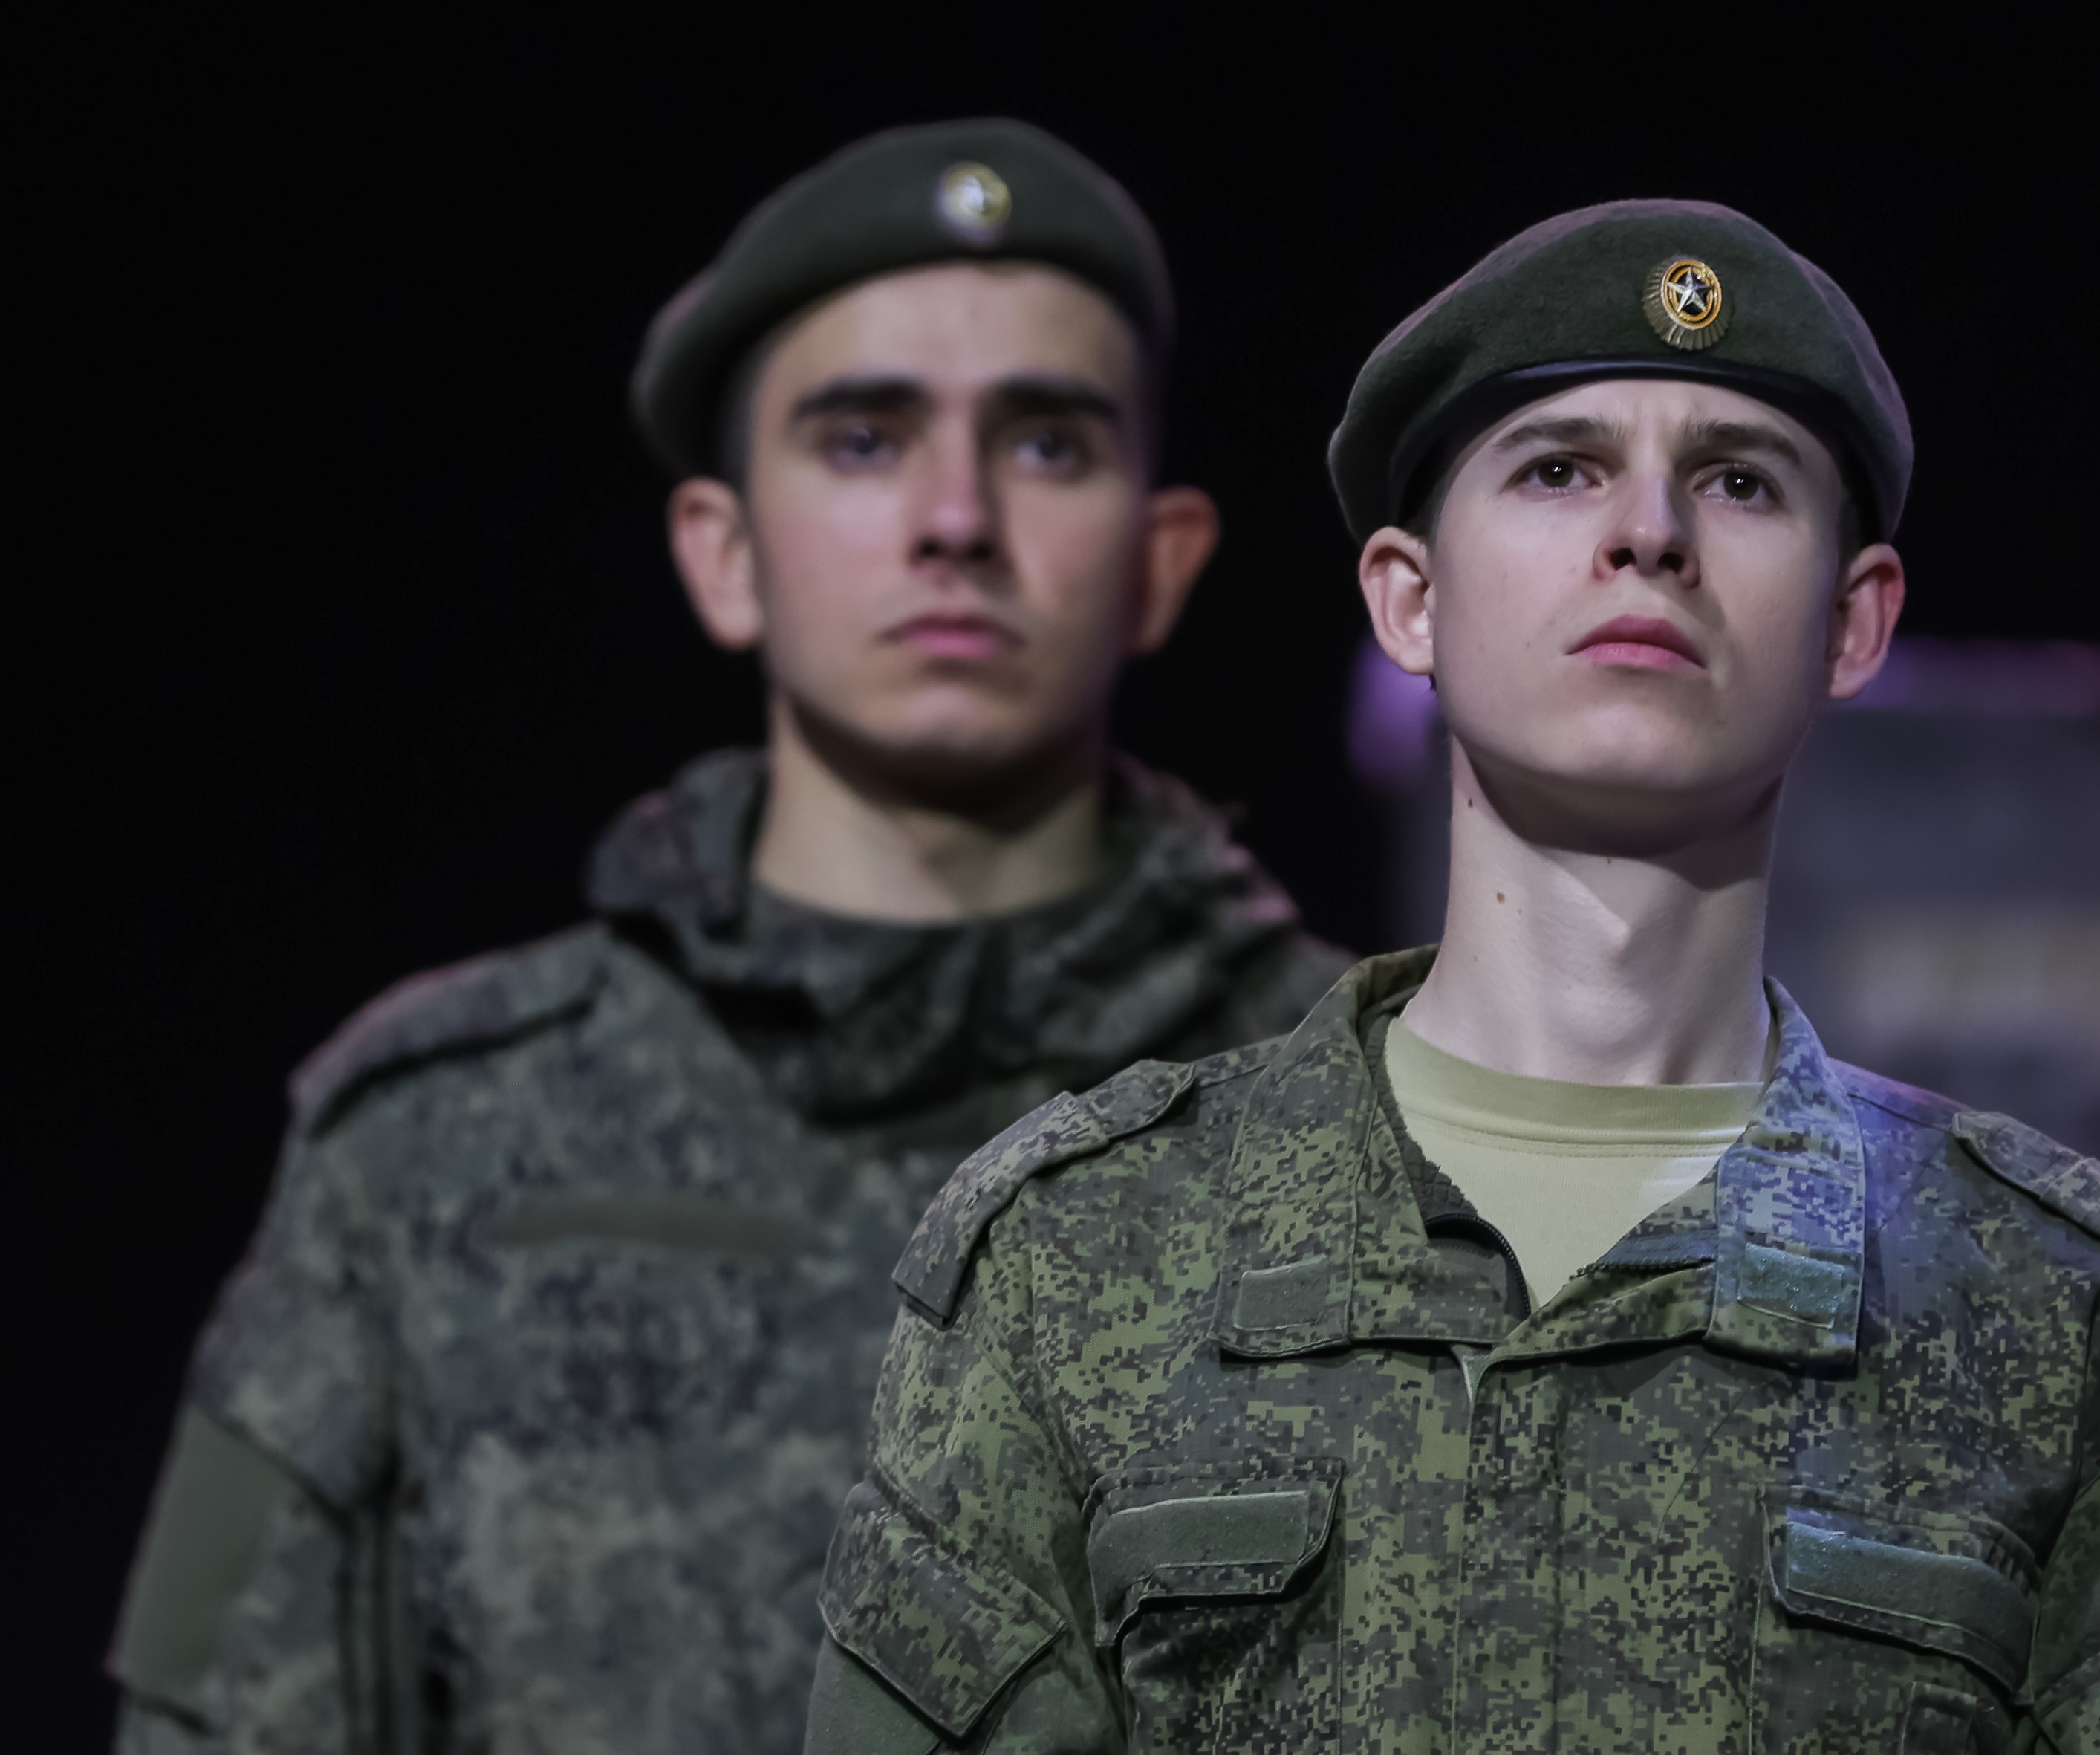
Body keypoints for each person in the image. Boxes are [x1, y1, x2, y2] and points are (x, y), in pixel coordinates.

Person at [805, 201, 2100, 1754]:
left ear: (1851, 619)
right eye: (1558, 468)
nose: (1649, 532)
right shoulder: (1076, 1260)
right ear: (1409, 597)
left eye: (1739, 479)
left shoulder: (2061, 1316)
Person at [108, 119, 1348, 1755]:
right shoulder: (426, 1142)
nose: (955, 516)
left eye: (1047, 442)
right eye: (864, 438)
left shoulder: (1377, 1115)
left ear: (1160, 559)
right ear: (721, 548)